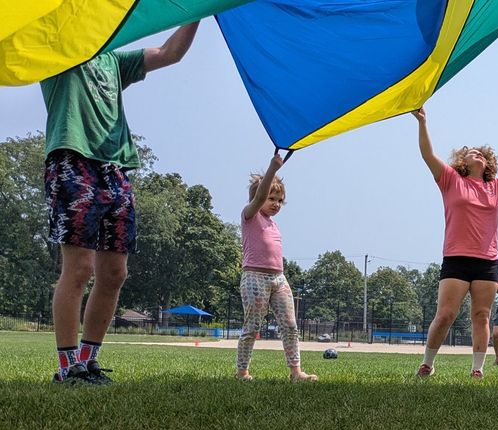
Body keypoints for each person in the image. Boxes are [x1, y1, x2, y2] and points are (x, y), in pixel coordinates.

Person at [42, 22, 201, 384]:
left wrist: (197, 12)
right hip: (72, 159)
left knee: (114, 273)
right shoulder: (56, 51)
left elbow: (170, 53)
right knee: (79, 268)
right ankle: (68, 368)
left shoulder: (115, 61)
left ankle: (88, 360)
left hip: (116, 169)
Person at [412, 108, 498, 378]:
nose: (478, 155)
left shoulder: (497, 187)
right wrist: (423, 122)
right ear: (463, 161)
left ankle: (477, 369)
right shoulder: (450, 179)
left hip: (486, 261)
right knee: (446, 314)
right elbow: (427, 154)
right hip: (456, 258)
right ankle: (427, 363)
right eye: (472, 153)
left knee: (481, 315)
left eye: (482, 153)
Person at [234, 153, 316, 383]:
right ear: (259, 198)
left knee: (290, 325)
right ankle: (242, 373)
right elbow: (259, 198)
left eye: (280, 200)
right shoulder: (249, 215)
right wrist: (272, 168)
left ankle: (296, 372)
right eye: (272, 198)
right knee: (252, 327)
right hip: (254, 277)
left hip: (278, 279)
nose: (276, 204)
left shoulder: (273, 223)